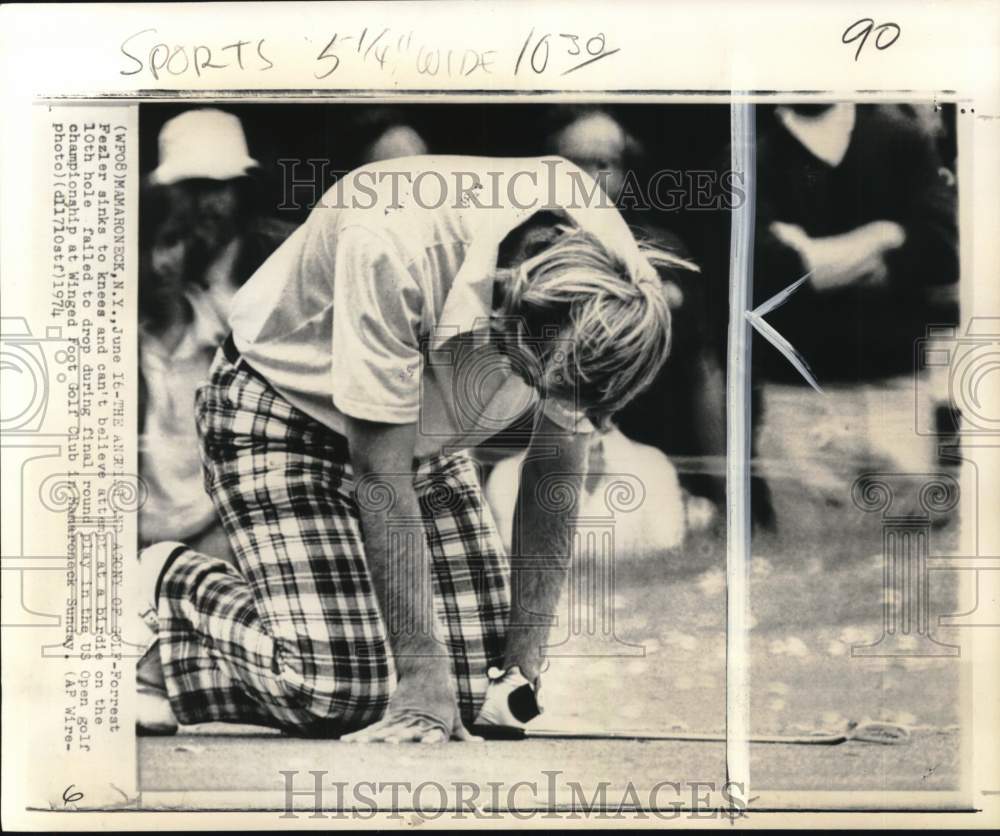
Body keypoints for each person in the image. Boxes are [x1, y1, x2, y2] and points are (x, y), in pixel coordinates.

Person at [135, 155, 697, 742]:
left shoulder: (613, 274)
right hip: (282, 411)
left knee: (472, 690)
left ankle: (183, 663)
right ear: (510, 315)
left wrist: (524, 652)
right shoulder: (390, 240)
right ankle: (169, 587)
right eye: (540, 381)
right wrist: (420, 674)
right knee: (344, 691)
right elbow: (380, 475)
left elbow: (557, 457)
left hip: (427, 426)